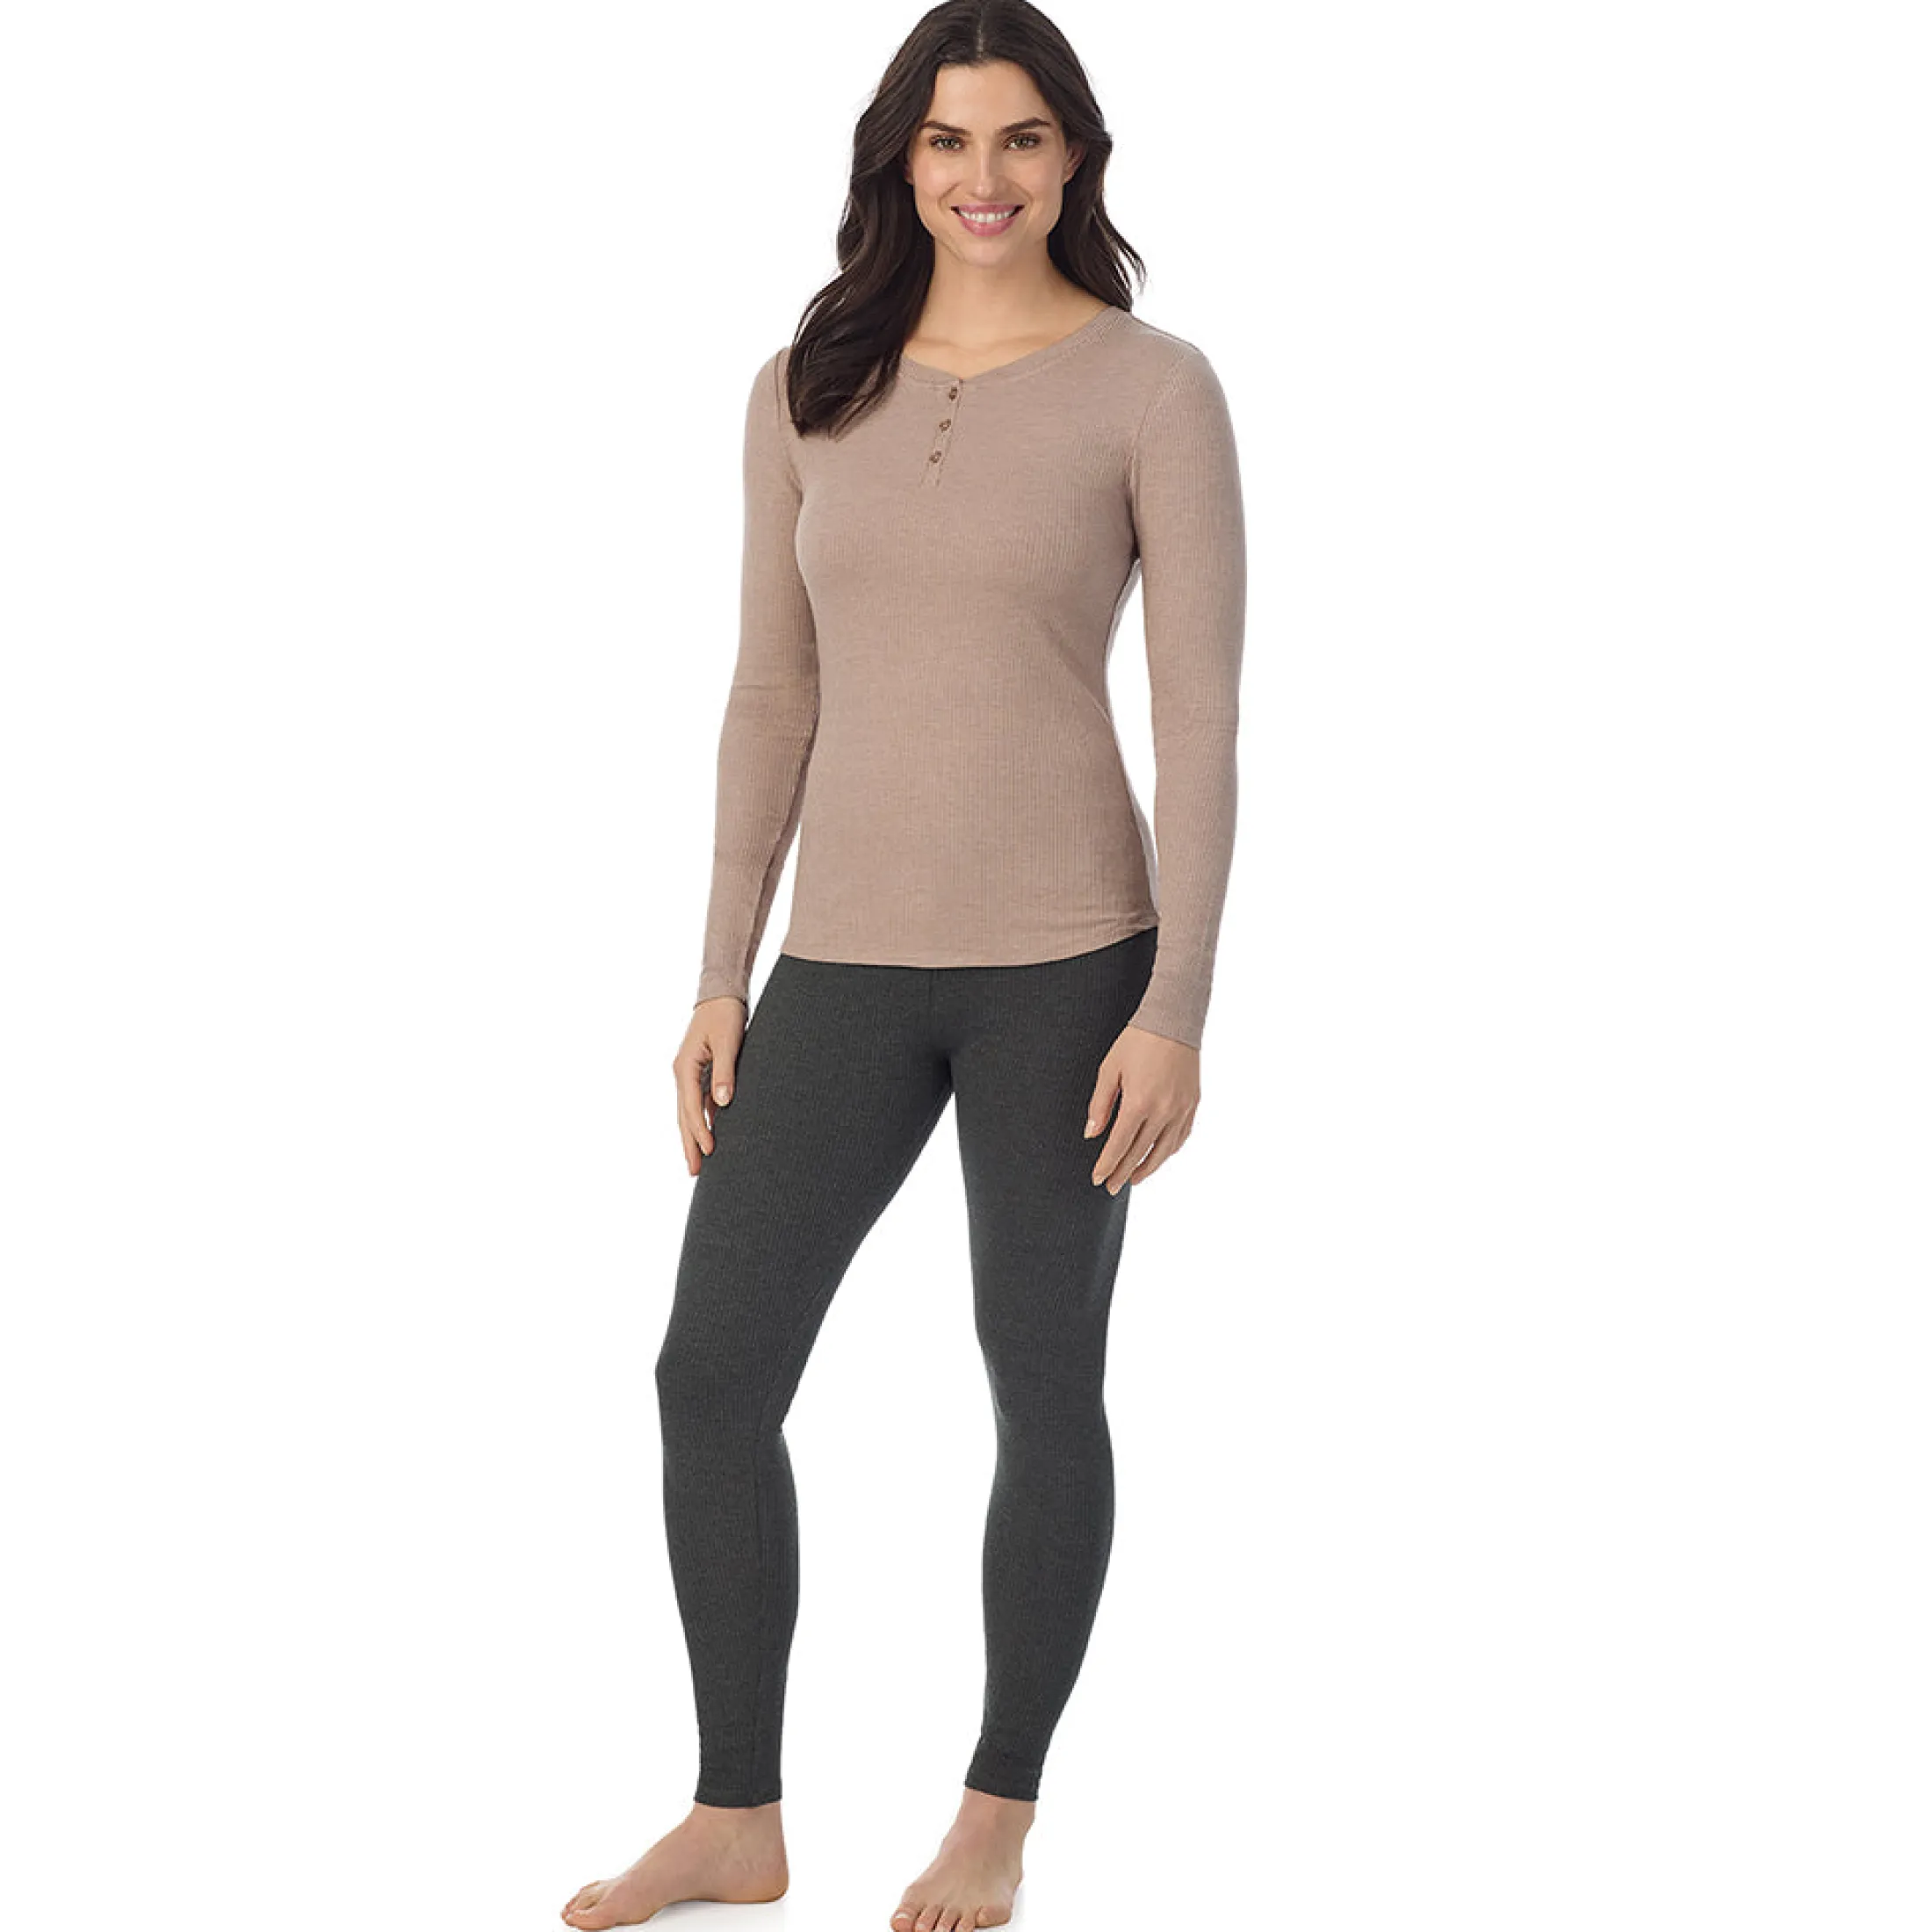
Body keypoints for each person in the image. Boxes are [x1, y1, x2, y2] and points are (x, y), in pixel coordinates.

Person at [562, 6, 1244, 1928]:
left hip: (1070, 966)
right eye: (948, 142)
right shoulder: (803, 386)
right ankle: (736, 1814)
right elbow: (769, 690)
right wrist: (720, 974)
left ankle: (995, 1812)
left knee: (1040, 1378)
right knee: (711, 1372)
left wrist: (1177, 1006)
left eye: (1021, 139)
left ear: (1074, 156)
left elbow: (1196, 722)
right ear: (899, 161)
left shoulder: (1154, 389)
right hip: (840, 969)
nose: (983, 177)